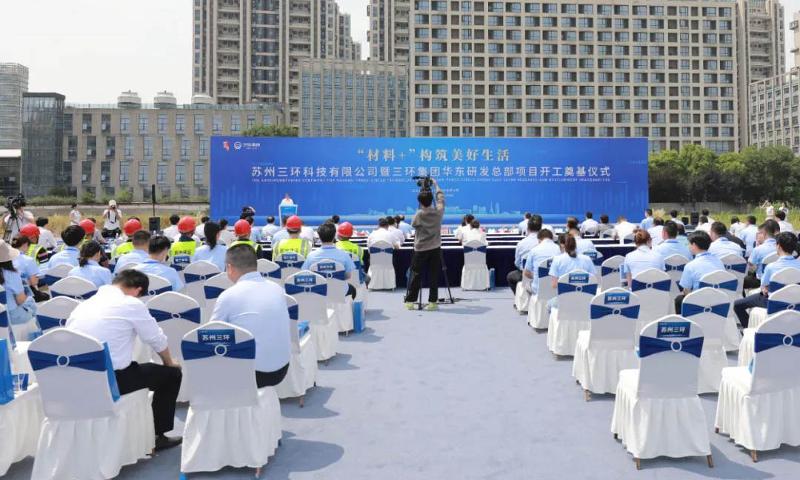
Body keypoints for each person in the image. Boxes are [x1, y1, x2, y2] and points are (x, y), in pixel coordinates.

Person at [66, 270, 182, 450]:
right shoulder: (130, 303)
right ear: (138, 290)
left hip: (77, 377)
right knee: (172, 375)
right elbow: (156, 339)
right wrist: (169, 362)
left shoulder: (83, 306)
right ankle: (157, 435)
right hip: (112, 380)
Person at [211, 244, 291, 388]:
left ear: (229, 267)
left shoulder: (228, 296)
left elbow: (211, 334)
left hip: (252, 373)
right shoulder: (278, 288)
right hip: (282, 368)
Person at [734, 232, 800, 328]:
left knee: (737, 305)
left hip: (773, 302)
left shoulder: (771, 267)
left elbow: (763, 287)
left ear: (778, 246)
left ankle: (750, 329)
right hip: (797, 300)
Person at [404, 177, 445, 311]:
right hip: (435, 248)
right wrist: (435, 184)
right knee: (433, 275)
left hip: (420, 249)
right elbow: (441, 198)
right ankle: (433, 302)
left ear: (420, 201)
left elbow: (414, 225)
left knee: (416, 274)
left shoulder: (418, 214)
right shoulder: (439, 212)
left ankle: (410, 301)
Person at [301, 223, 357, 299]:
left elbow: (305, 273)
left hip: (318, 293)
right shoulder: (344, 255)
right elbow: (348, 276)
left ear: (319, 237)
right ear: (334, 236)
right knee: (352, 289)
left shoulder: (311, 256)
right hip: (340, 292)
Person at [675, 231, 724, 312]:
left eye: (689, 244)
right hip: (718, 301)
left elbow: (686, 291)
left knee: (679, 299)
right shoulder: (719, 262)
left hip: (699, 304)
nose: (688, 246)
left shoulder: (691, 266)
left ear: (694, 245)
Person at [0, 240, 37, 341]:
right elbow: (20, 300)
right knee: (32, 308)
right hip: (11, 316)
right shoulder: (11, 274)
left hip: (3, 317)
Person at [548, 234, 596, 309]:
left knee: (549, 304)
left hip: (563, 302)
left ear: (562, 245)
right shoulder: (587, 259)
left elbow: (554, 285)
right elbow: (594, 281)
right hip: (585, 301)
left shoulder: (557, 260)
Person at [508, 216, 542, 295]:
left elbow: (517, 263)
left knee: (510, 276)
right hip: (544, 276)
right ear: (540, 228)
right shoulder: (546, 244)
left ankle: (519, 298)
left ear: (528, 228)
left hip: (526, 276)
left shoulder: (521, 244)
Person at [522, 229, 561, 294]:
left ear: (539, 239)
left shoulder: (534, 250)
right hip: (556, 289)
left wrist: (537, 277)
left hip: (537, 289)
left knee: (524, 285)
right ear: (551, 238)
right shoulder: (559, 249)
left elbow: (526, 273)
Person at [11, 236, 46, 302]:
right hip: (25, 294)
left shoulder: (5, 259)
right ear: (25, 244)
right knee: (46, 296)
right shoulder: (28, 260)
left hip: (8, 294)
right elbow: (34, 282)